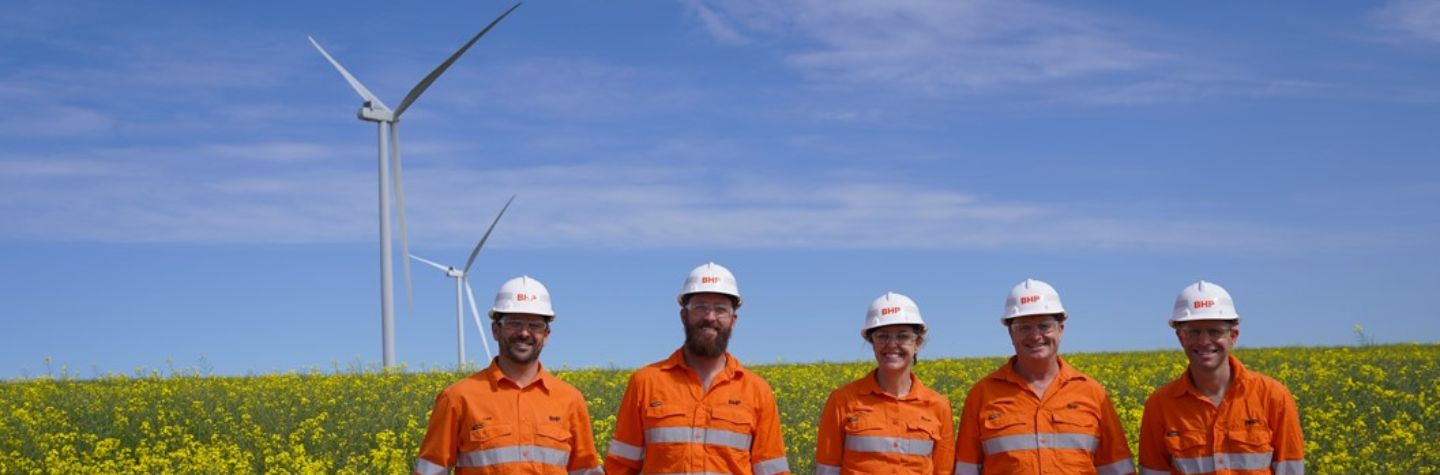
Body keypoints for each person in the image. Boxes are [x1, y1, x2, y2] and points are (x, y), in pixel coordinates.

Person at [604, 262, 790, 475]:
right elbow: (620, 467)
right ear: (683, 316)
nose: (710, 317)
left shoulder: (757, 391)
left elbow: (772, 471)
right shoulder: (645, 383)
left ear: (733, 320)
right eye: (700, 306)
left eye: (720, 309)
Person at [413, 276, 601, 475]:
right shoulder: (457, 399)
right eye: (514, 323)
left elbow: (585, 470)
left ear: (546, 335)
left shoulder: (570, 399)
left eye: (535, 325)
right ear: (495, 330)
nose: (524, 333)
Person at [954, 279, 1135, 475]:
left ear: (1060, 330)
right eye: (1024, 327)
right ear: (1010, 334)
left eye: (1044, 326)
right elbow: (966, 470)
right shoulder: (982, 395)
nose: (1035, 336)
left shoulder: (1092, 393)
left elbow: (1118, 468)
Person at [1138, 281, 1304, 475]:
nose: (1204, 341)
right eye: (1193, 332)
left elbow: (1290, 470)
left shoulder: (1273, 396)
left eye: (1215, 331)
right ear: (1180, 338)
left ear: (1233, 336)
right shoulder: (1159, 405)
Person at [815, 292, 955, 474]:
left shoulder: (938, 406)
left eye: (903, 336)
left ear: (917, 343)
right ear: (872, 342)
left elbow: (943, 471)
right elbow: (827, 470)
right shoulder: (842, 401)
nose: (892, 344)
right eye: (882, 336)